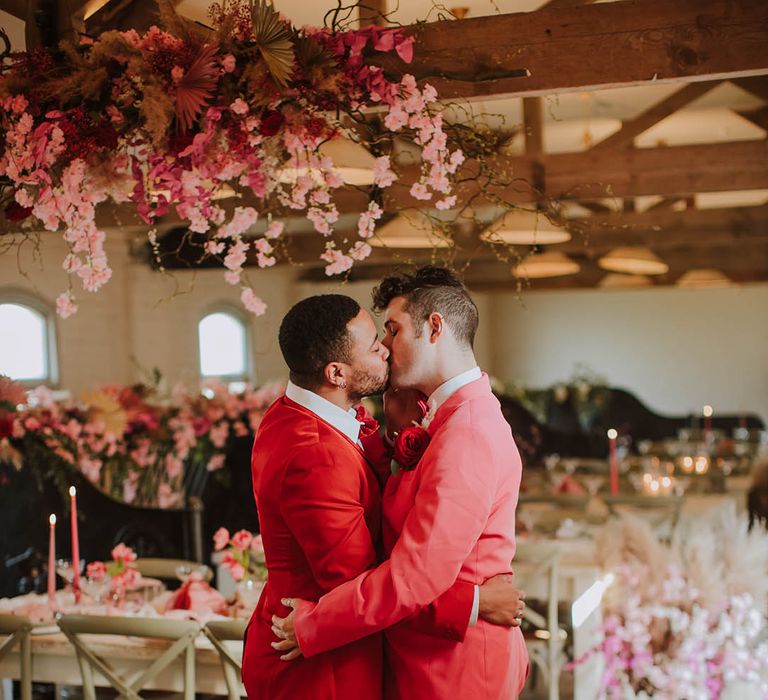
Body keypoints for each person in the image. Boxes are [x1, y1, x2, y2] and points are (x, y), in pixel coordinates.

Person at [242, 293, 524, 700]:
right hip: (322, 672)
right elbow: (359, 577)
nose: (386, 350)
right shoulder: (314, 451)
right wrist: (475, 602)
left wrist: (393, 437)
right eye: (376, 343)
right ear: (337, 373)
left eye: (388, 334)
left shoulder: (297, 414)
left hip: (366, 653)